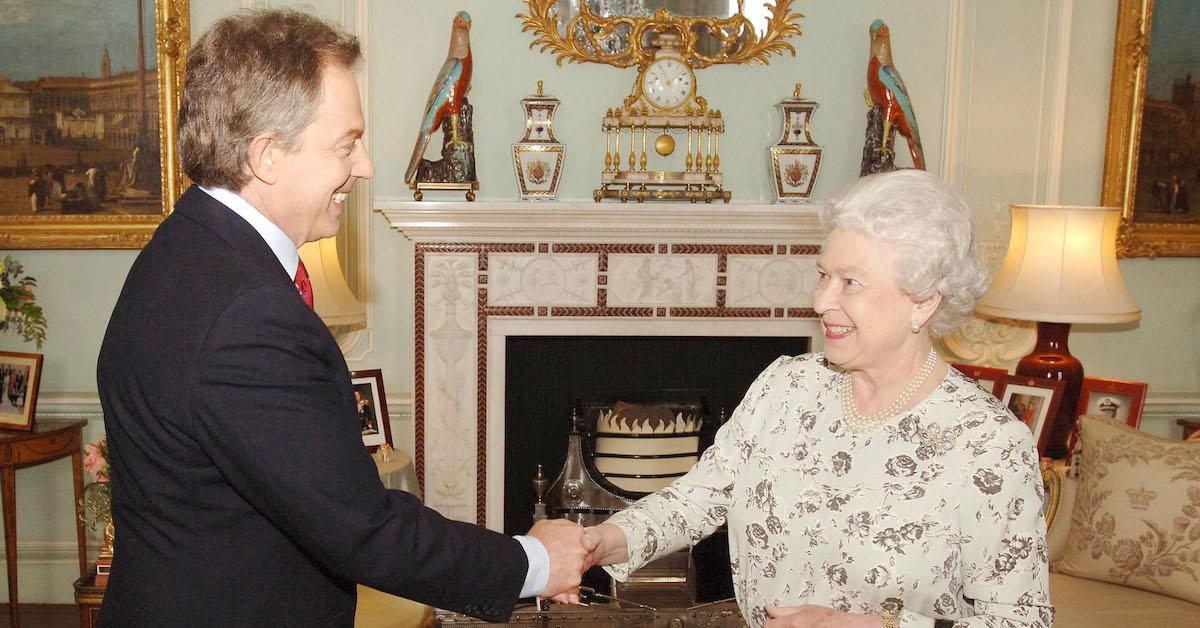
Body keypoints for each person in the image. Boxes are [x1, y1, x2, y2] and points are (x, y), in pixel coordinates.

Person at [97, 9, 592, 627]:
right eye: (346, 143)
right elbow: (360, 527)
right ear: (267, 155)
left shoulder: (185, 247)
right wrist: (533, 562)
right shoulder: (245, 313)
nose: (365, 167)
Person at [566, 170, 1053, 627]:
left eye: (851, 282)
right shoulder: (788, 385)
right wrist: (597, 542)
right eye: (824, 275)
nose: (821, 301)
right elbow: (697, 500)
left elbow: (1020, 620)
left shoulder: (989, 444)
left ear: (924, 300)